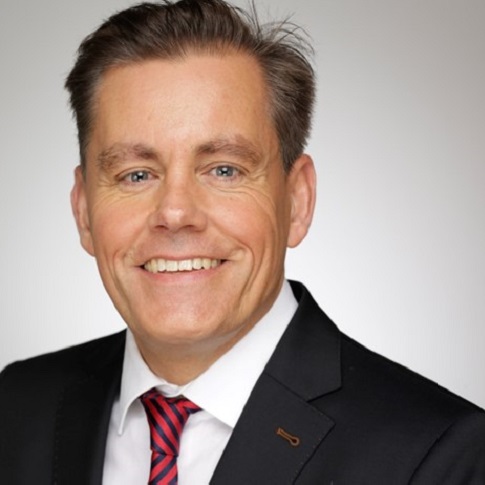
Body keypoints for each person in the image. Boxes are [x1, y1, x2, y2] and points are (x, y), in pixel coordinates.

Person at [1, 0, 484, 483]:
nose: (175, 213)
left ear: (297, 200)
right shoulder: (15, 408)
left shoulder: (441, 456)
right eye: (136, 175)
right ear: (84, 210)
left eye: (224, 170)